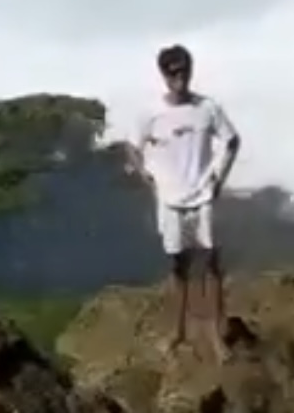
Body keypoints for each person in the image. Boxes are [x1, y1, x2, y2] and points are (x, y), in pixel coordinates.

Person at [125, 44, 242, 361]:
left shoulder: (207, 108)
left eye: (184, 69)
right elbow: (131, 147)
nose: (180, 76)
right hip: (171, 200)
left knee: (211, 265)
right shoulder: (151, 112)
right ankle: (178, 332)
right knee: (179, 266)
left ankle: (216, 335)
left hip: (202, 197)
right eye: (173, 71)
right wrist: (146, 177)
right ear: (164, 74)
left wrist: (220, 178)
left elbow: (232, 140)